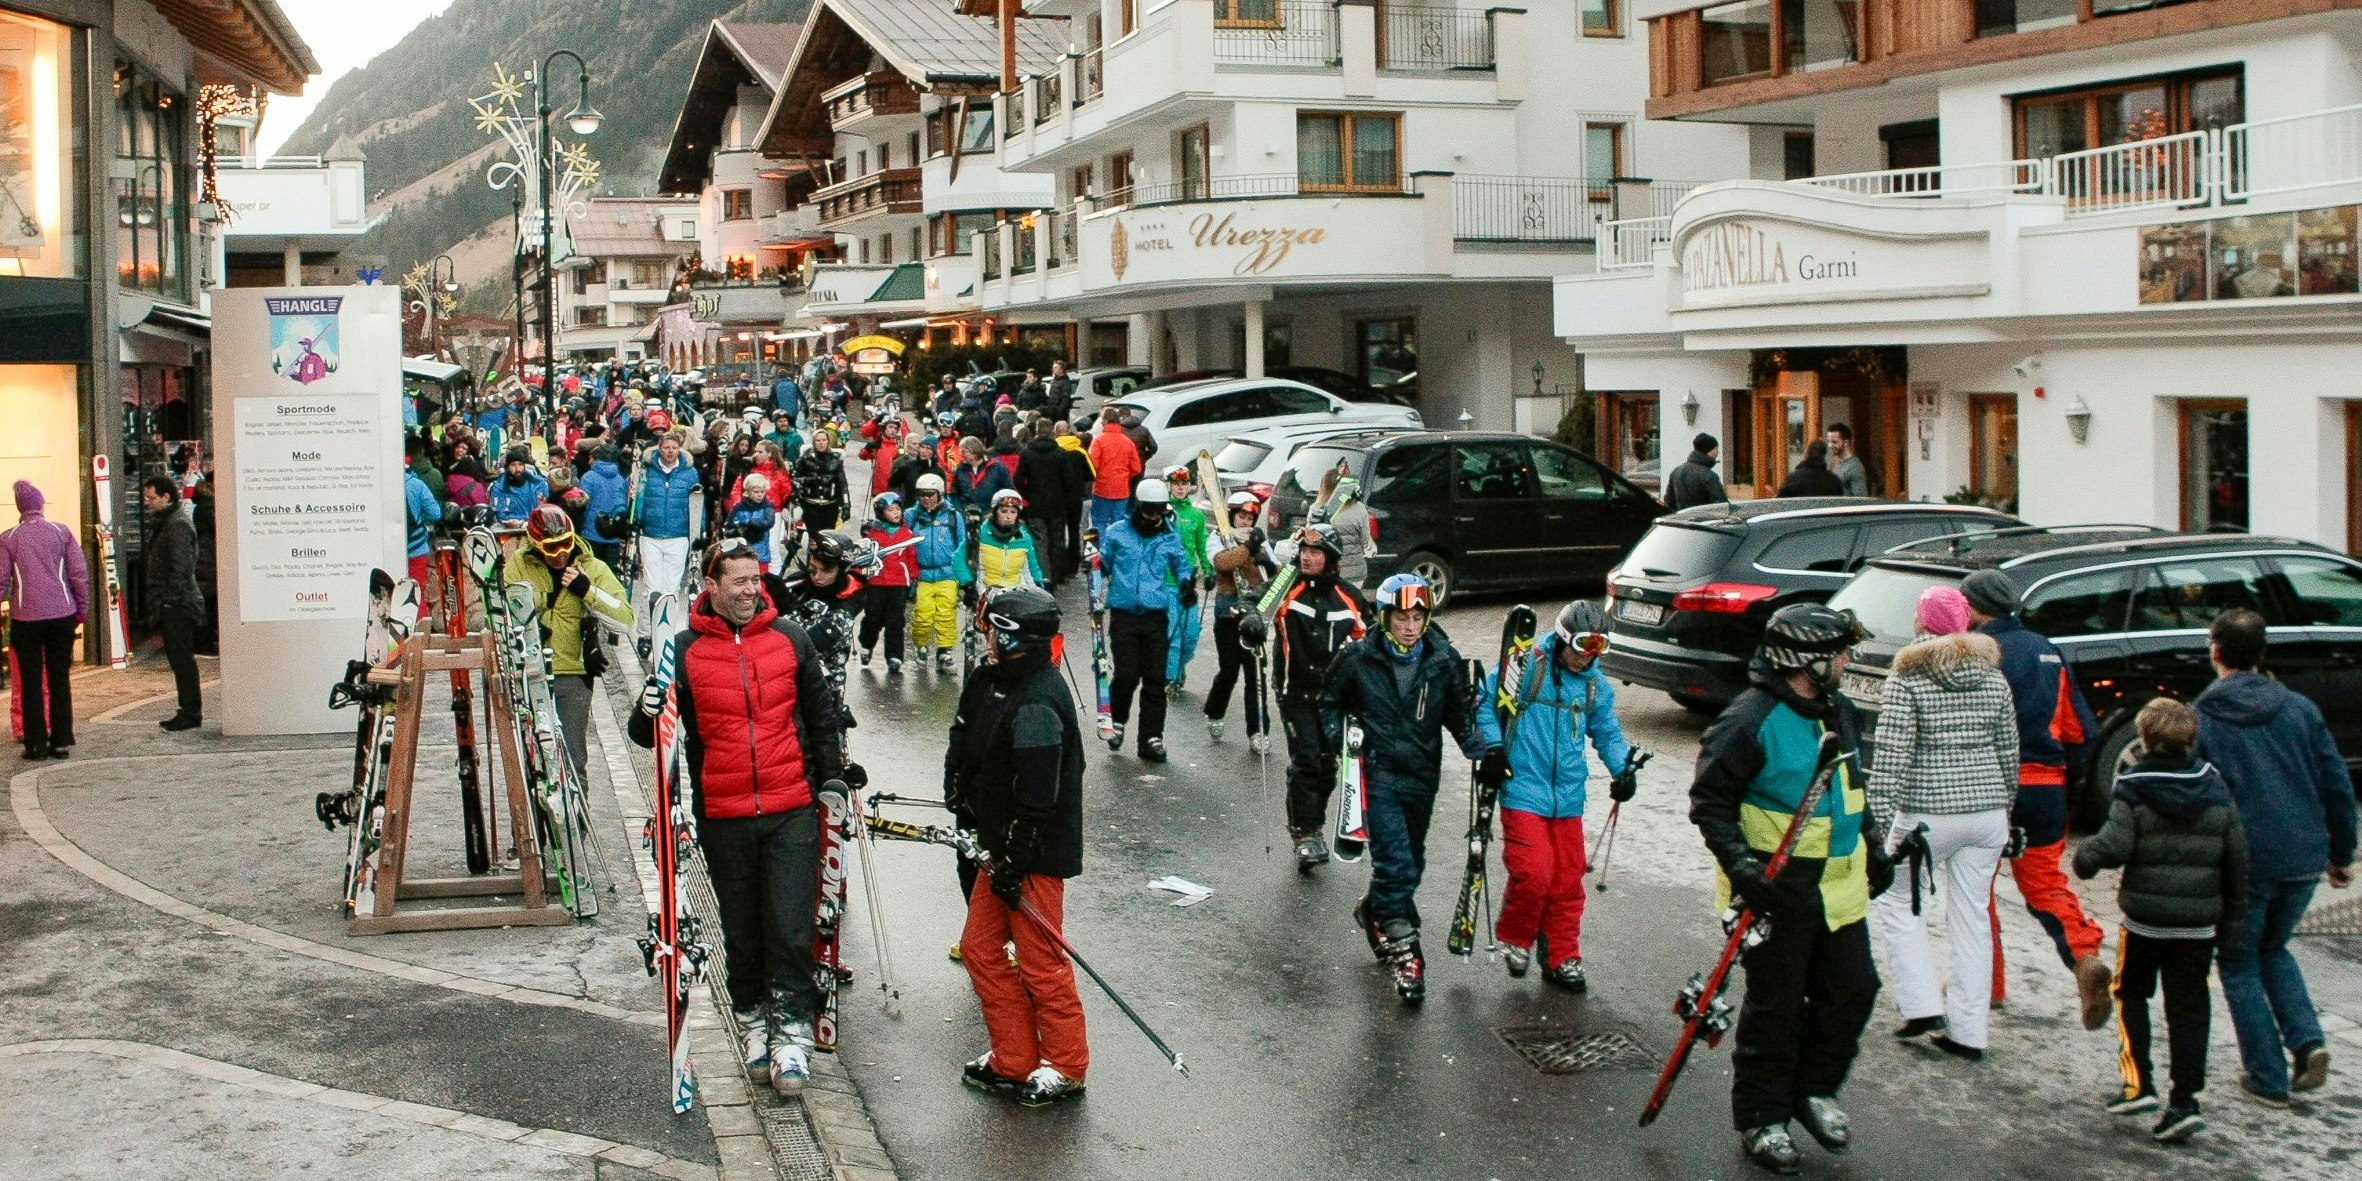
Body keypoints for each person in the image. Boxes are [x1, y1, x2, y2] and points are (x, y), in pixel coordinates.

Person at [628, 539, 850, 1096]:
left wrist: (834, 782)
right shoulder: (682, 650)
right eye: (740, 582)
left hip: (790, 807)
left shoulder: (789, 639)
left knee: (790, 926)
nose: (752, 590)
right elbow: (644, 734)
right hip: (724, 812)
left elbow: (823, 717)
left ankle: (793, 1033)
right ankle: (753, 1025)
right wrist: (647, 706)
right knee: (743, 931)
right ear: (712, 586)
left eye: (757, 579)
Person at [1688, 602, 1886, 1174]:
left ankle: (1813, 1089)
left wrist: (1871, 840)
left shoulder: (1838, 709)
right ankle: (1762, 1118)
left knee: (1854, 991)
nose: (1848, 661)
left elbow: (1850, 784)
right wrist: (1743, 868)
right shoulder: (1749, 719)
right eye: (1839, 654)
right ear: (1807, 661)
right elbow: (1710, 803)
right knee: (1776, 1007)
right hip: (1777, 891)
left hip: (1840, 889)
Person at [2190, 609, 2357, 1104]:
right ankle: (2307, 1041)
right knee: (2274, 949)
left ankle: (2266, 1076)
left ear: (2215, 650)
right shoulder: (2299, 708)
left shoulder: (2202, 715)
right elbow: (2336, 783)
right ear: (2262, 653)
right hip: (2303, 853)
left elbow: (2197, 795)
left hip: (2244, 858)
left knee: (2239, 961)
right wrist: (2341, 852)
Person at [2073, 697, 2246, 1144]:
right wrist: (2232, 915)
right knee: (2189, 1007)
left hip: (2146, 921)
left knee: (2130, 992)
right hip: (2198, 925)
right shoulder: (2216, 785)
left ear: (2145, 738)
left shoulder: (2133, 784)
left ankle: (2138, 1084)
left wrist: (2086, 859)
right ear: (2191, 739)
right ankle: (2185, 1101)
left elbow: (2113, 846)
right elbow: (2236, 855)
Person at [944, 584, 1089, 1107]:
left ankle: (1067, 1064)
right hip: (997, 845)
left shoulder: (1039, 700)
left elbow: (1038, 793)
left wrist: (1017, 855)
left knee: (1040, 960)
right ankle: (1015, 1056)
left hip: (1033, 852)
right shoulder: (992, 678)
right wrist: (957, 788)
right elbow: (968, 737)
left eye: (992, 629)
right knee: (982, 948)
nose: (984, 635)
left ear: (1014, 637)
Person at [1322, 572, 1492, 1004]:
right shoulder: (1359, 657)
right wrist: (1339, 739)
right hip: (1376, 773)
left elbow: (1457, 713)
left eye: (1417, 616)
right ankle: (1407, 955)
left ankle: (1373, 908)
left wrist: (1481, 749)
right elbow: (1329, 701)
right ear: (1385, 617)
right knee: (1396, 862)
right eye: (1401, 617)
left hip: (1422, 774)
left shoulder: (1442, 658)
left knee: (1411, 861)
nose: (1410, 625)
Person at [1866, 585, 2016, 1062]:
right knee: (1972, 916)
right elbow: (2009, 752)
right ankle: (1970, 1032)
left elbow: (1891, 758)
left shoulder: (1907, 678)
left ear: (1921, 623)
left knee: (1898, 901)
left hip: (1926, 813)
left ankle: (1922, 1003)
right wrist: (2005, 809)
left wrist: (1877, 827)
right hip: (1987, 813)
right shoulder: (1994, 678)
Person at [1959, 569, 2113, 1029]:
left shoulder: (1977, 653)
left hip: (1990, 785)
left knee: (1975, 887)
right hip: (2046, 787)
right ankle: (2084, 955)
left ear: (1977, 608)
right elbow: (2081, 732)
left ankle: (1987, 983)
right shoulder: (2048, 650)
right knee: (2045, 883)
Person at [1471, 601, 1637, 991]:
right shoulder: (1529, 666)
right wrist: (1493, 750)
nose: (1589, 657)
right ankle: (1517, 937)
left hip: (1568, 797)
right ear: (1563, 640)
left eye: (1599, 648)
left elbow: (1609, 733)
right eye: (1583, 646)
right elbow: (1484, 703)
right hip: (1523, 789)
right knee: (1533, 872)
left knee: (1567, 880)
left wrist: (1623, 771)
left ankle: (1562, 955)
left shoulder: (1596, 686)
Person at [503, 505, 632, 783]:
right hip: (530, 672)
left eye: (565, 544)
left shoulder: (594, 567)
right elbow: (503, 611)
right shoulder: (519, 565)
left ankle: (578, 823)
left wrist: (588, 590)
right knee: (532, 764)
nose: (560, 554)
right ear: (535, 545)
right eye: (551, 548)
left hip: (573, 672)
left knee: (573, 761)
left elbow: (624, 619)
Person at [1270, 524, 1365, 868]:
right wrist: (1250, 619)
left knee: (1327, 765)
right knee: (1307, 758)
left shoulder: (1349, 596)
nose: (1308, 558)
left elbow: (1375, 634)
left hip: (1334, 697)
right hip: (1293, 689)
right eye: (1305, 552)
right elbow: (1258, 603)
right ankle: (1304, 833)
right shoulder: (1286, 584)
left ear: (1331, 559)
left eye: (1316, 553)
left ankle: (1316, 823)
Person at [1098, 480, 1192, 761]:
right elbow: (1104, 561)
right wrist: (1095, 565)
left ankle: (1151, 737)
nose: (1154, 518)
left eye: (1158, 513)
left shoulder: (1169, 536)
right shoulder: (1118, 532)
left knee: (1155, 677)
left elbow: (1182, 566)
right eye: (1149, 512)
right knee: (1127, 674)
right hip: (1125, 613)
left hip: (1155, 614)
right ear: (1138, 508)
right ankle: (1117, 720)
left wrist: (1187, 583)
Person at [1, 480, 87, 760]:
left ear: (19, 507)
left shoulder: (9, 538)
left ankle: (35, 743)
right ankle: (60, 740)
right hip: (62, 613)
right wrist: (81, 608)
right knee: (59, 678)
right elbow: (78, 573)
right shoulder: (61, 532)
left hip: (26, 617)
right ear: (40, 504)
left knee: (29, 680)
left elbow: (1, 580)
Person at [1202, 493, 1271, 749]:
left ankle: (1258, 729)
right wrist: (1248, 550)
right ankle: (1215, 711)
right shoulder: (1218, 538)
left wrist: (1267, 561)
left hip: (1253, 615)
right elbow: (1223, 562)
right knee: (1229, 670)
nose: (1245, 521)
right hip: (1227, 613)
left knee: (1255, 674)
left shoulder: (1258, 540)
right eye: (1241, 516)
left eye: (1250, 517)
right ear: (1232, 516)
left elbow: (1272, 575)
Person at [141, 477, 205, 732]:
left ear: (166, 497)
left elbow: (182, 566)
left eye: (151, 497)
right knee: (178, 659)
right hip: (173, 601)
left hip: (179, 603)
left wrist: (169, 601)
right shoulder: (168, 522)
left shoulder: (176, 524)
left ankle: (190, 711)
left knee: (182, 659)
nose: (147, 502)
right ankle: (187, 709)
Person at [634, 431, 700, 628]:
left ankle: (667, 627)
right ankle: (646, 630)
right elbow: (638, 497)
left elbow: (697, 504)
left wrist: (698, 532)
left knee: (672, 587)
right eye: (666, 447)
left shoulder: (690, 472)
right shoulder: (647, 470)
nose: (670, 452)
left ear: (679, 449)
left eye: (674, 448)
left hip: (678, 534)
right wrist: (636, 519)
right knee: (652, 586)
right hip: (651, 534)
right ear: (659, 448)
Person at [907, 474, 972, 671]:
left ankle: (945, 651)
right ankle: (921, 645)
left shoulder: (953, 516)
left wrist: (964, 578)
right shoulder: (911, 515)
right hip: (923, 575)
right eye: (921, 495)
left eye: (930, 494)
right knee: (922, 615)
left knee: (946, 614)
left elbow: (962, 546)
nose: (926, 499)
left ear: (940, 493)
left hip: (948, 574)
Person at [857, 493, 917, 674]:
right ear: (881, 513)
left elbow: (911, 559)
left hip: (898, 584)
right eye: (891, 510)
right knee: (872, 617)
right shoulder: (873, 533)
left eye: (898, 509)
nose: (896, 513)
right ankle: (866, 646)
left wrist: (913, 579)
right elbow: (863, 558)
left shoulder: (907, 533)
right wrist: (861, 578)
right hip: (876, 583)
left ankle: (894, 656)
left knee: (895, 621)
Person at [1016, 421, 1078, 586]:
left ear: (1036, 431)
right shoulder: (1060, 453)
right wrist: (1063, 497)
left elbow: (1018, 479)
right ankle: (1058, 576)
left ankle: (1044, 577)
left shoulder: (1027, 453)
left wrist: (1029, 494)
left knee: (1040, 541)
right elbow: (1070, 481)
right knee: (1057, 541)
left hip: (1036, 504)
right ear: (1052, 432)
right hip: (1057, 505)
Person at [973, 489, 1045, 593]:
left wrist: (1040, 586)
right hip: (986, 594)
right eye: (1004, 511)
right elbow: (961, 558)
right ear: (995, 512)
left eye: (1013, 512)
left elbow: (1033, 568)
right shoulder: (980, 532)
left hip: (1017, 594)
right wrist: (969, 584)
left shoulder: (1024, 537)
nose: (1008, 516)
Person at [1050, 422, 1094, 582]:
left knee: (1059, 532)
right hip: (1076, 497)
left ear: (1055, 433)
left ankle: (1060, 569)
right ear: (1070, 432)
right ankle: (1073, 566)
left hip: (1058, 498)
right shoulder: (1080, 450)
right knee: (1075, 531)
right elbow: (1092, 474)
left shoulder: (1053, 451)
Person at [791, 429, 850, 544]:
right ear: (813, 442)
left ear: (828, 441)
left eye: (824, 440)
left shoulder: (836, 460)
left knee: (828, 538)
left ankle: (825, 561)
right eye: (818, 440)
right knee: (814, 539)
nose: (821, 443)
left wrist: (846, 505)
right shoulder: (804, 459)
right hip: (810, 504)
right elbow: (793, 480)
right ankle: (812, 560)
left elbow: (843, 485)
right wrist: (808, 480)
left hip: (830, 505)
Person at [1086, 415, 1142, 535]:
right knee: (1119, 524)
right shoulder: (1128, 442)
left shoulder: (1098, 440)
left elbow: (1092, 465)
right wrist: (1126, 476)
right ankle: (1116, 550)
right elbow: (1137, 468)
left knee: (1099, 522)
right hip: (1121, 490)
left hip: (1102, 489)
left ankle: (1102, 550)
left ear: (1105, 422)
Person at [402, 438, 443, 599]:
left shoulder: (380, 485)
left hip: (388, 550)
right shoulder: (417, 484)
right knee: (416, 595)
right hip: (416, 548)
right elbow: (435, 513)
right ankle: (420, 623)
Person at [578, 447, 629, 568]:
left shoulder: (588, 477)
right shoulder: (620, 479)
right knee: (610, 573)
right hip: (613, 534)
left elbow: (582, 503)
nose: (588, 462)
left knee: (591, 570)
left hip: (591, 532)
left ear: (596, 459)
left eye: (590, 458)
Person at [722, 472, 781, 573]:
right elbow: (728, 526)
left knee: (760, 582)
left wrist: (749, 523)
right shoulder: (739, 507)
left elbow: (768, 522)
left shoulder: (767, 506)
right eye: (756, 492)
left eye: (762, 492)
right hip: (742, 553)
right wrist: (736, 531)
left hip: (761, 553)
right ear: (748, 491)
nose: (760, 495)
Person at [1666, 432, 1730, 511]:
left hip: (1681, 520)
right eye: (1716, 448)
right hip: (1704, 521)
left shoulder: (1676, 471)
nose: (1718, 452)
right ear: (1709, 450)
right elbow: (1722, 507)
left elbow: (1669, 501)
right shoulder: (1709, 476)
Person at [490, 446, 549, 523]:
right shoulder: (500, 487)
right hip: (511, 530)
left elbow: (546, 509)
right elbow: (501, 516)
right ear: (507, 467)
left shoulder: (537, 483)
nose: (517, 469)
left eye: (520, 464)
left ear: (524, 466)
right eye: (513, 465)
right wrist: (526, 517)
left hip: (537, 525)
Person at [1776, 440, 1846, 498]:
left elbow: (1781, 503)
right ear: (1824, 455)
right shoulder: (1834, 481)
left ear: (1806, 454)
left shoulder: (1794, 479)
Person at [1825, 424, 1869, 497]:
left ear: (1846, 442)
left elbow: (1861, 499)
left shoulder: (1854, 467)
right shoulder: (1834, 461)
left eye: (1834, 442)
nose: (1830, 445)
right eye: (1829, 441)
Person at [1042, 360, 1077, 426]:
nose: (1053, 369)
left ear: (1061, 370)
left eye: (1055, 367)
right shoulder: (1055, 380)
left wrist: (1059, 413)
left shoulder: (1065, 382)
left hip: (1060, 414)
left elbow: (1065, 399)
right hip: (1052, 412)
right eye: (1053, 367)